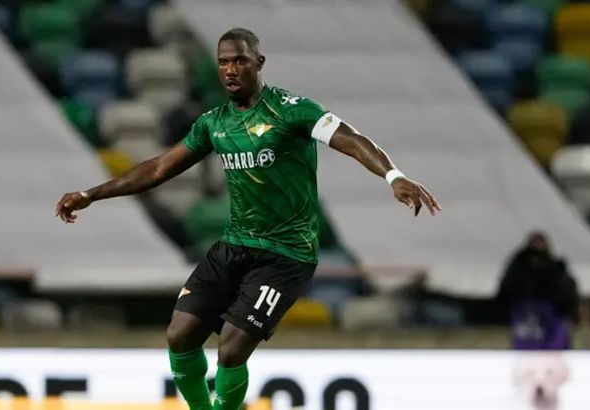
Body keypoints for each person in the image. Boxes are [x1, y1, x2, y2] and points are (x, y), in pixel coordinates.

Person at [55, 28, 441, 410]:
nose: (230, 69)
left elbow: (351, 138)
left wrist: (393, 176)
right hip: (234, 245)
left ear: (258, 63)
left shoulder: (292, 110)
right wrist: (92, 194)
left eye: (239, 60)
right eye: (223, 62)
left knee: (231, 347)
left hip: (286, 255)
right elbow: (158, 169)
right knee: (179, 335)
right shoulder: (213, 123)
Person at [497, 231, 579, 350]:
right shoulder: (518, 265)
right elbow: (507, 288)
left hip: (550, 312)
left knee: (554, 345)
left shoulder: (555, 268)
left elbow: (566, 291)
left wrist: (567, 308)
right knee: (527, 345)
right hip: (526, 311)